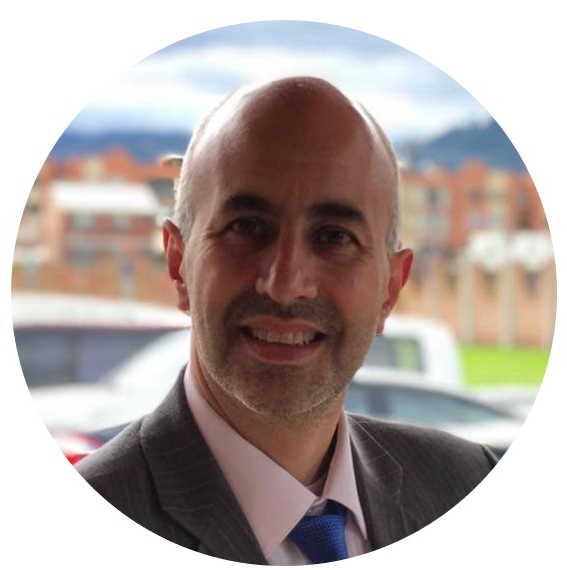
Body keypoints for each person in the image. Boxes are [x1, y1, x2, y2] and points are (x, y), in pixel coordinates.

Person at [77, 76, 497, 565]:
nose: (285, 283)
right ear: (178, 264)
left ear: (390, 288)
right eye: (246, 227)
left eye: (334, 237)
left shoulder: (467, 487)